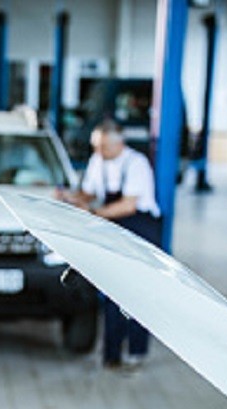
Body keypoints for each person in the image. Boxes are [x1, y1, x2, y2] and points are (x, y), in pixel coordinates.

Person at [58, 119, 162, 369]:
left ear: (119, 143)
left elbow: (129, 205)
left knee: (138, 293)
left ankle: (136, 351)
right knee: (114, 289)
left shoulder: (136, 164)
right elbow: (91, 191)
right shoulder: (98, 161)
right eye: (96, 146)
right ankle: (111, 354)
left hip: (140, 229)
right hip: (114, 228)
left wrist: (94, 213)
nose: (98, 152)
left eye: (103, 147)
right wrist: (71, 198)